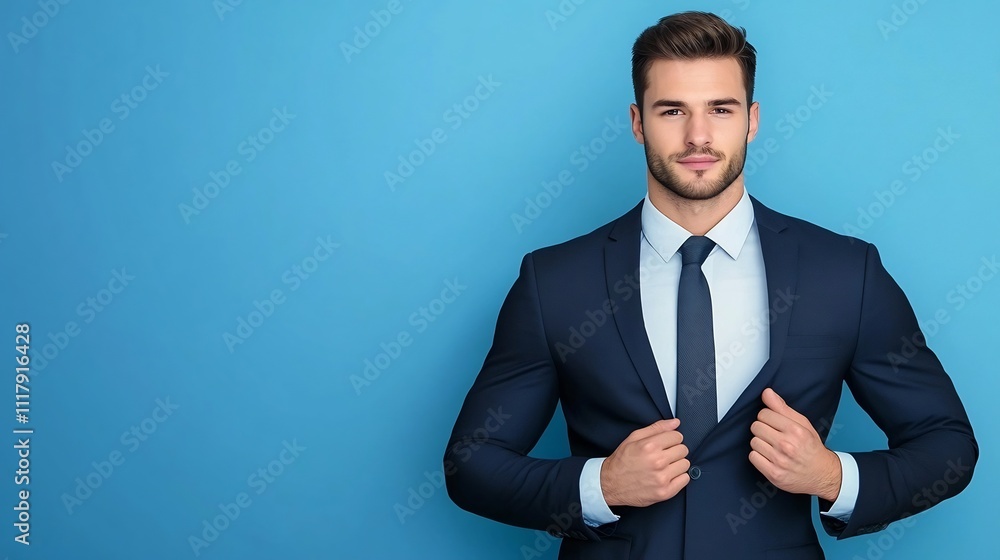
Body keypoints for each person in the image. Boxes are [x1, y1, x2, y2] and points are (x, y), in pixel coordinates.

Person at [443, 11, 977, 560]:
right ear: (637, 122)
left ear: (752, 120)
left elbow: (948, 446)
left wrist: (831, 476)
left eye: (721, 109)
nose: (697, 136)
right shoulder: (555, 281)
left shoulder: (845, 273)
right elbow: (472, 463)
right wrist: (599, 486)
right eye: (672, 110)